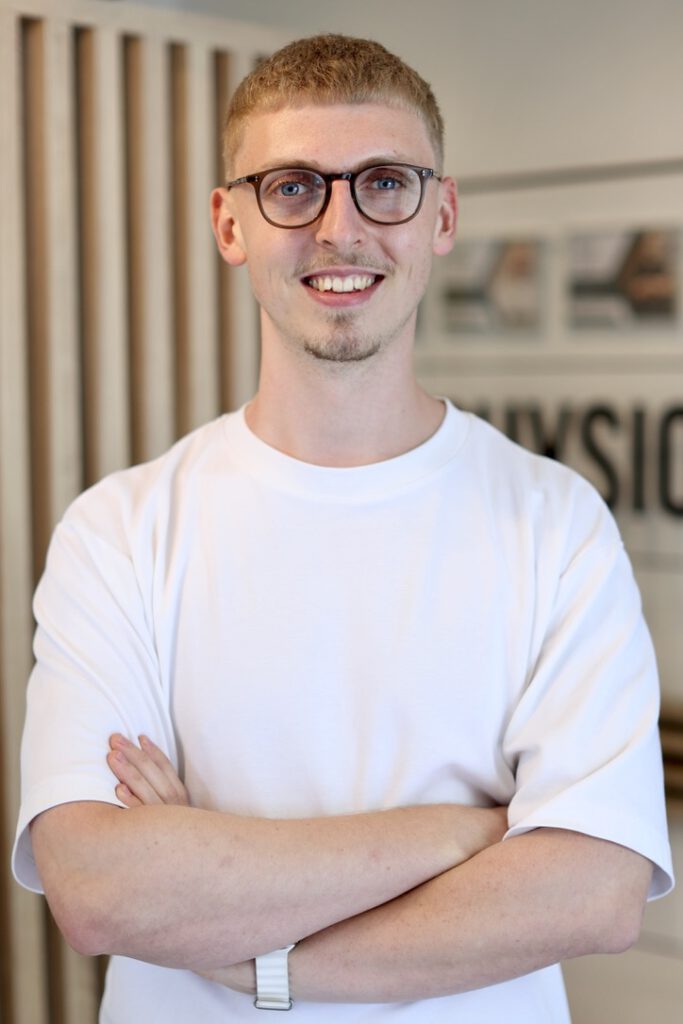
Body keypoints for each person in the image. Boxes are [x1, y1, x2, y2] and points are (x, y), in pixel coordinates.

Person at [13, 33, 673, 1023]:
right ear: (229, 223)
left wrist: (251, 953)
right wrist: (467, 832)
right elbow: (103, 889)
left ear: (440, 215)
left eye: (383, 184)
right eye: (291, 188)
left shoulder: (556, 525)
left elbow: (594, 891)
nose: (339, 228)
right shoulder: (119, 533)